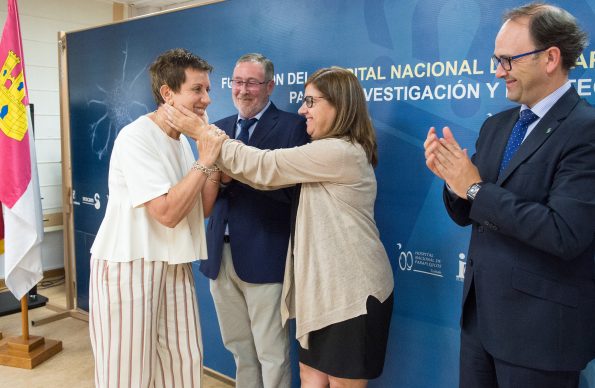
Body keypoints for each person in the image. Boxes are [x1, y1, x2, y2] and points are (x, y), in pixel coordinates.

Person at [177, 66, 394, 388]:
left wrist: (202, 133)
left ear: (340, 104)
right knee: (311, 376)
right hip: (320, 292)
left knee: (342, 382)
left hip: (352, 294)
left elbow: (266, 166)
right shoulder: (326, 150)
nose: (302, 109)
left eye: (311, 101)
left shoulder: (340, 151)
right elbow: (263, 177)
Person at [424, 3, 595, 388]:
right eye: (496, 59)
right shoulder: (498, 125)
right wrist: (452, 180)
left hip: (541, 335)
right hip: (480, 323)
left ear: (551, 57)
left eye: (507, 60)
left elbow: (565, 233)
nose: (497, 70)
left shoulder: (586, 130)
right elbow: (469, 212)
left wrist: (473, 187)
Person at [169, 52, 308, 388]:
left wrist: (235, 175)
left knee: (271, 351)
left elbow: (295, 195)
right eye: (237, 82)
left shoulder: (294, 128)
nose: (242, 90)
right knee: (238, 348)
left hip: (265, 256)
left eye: (251, 82)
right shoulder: (219, 129)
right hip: (220, 256)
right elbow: (202, 187)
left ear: (270, 86)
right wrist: (217, 179)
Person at [88, 48, 222, 388]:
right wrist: (205, 158)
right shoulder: (136, 137)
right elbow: (166, 212)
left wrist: (212, 157)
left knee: (184, 366)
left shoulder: (182, 141)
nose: (206, 98)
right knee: (128, 375)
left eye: (207, 89)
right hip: (130, 263)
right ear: (167, 93)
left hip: (173, 263)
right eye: (197, 89)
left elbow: (201, 208)